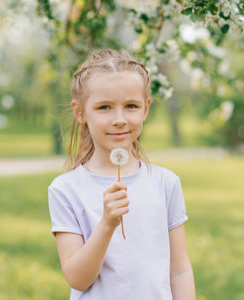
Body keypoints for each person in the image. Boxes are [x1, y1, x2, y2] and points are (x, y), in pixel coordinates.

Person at [48, 49, 196, 299]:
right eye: (104, 107)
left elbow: (179, 271)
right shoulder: (66, 189)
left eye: (131, 106)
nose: (119, 119)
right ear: (80, 111)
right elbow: (77, 279)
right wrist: (107, 224)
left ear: (146, 109)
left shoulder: (165, 183)